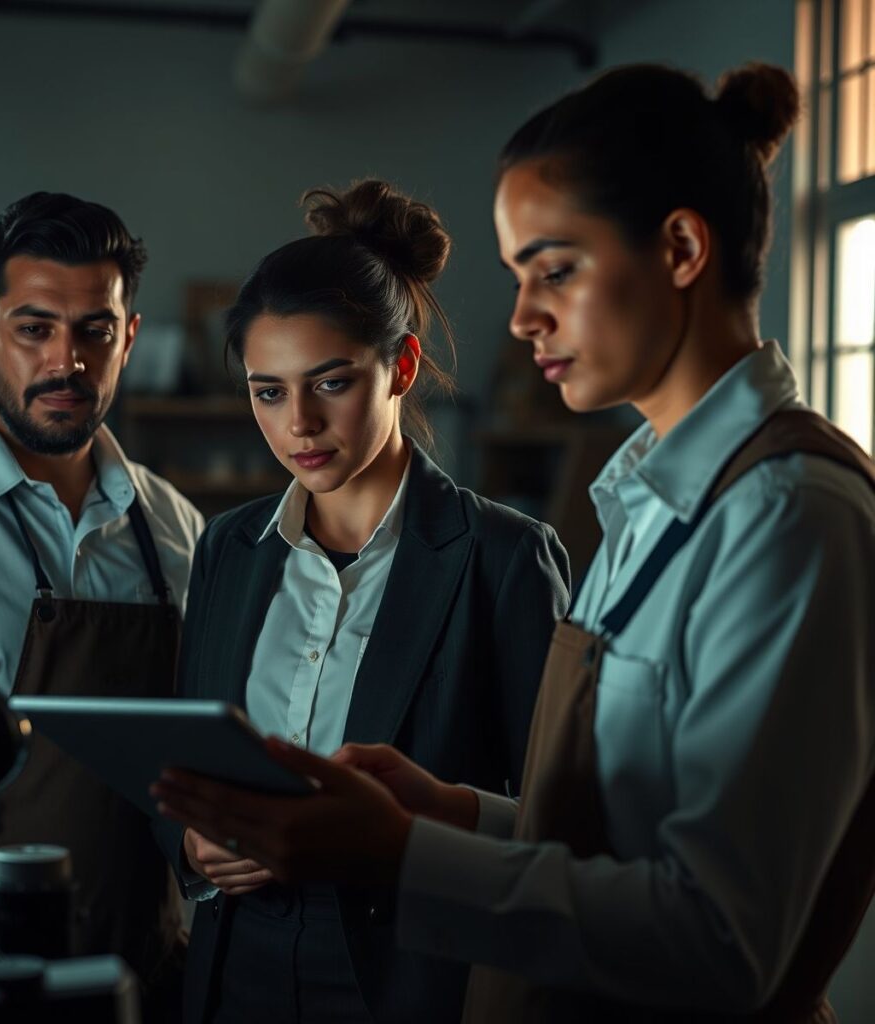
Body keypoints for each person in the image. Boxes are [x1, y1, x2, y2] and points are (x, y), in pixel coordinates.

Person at [152, 64, 875, 1022]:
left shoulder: (786, 512)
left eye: (556, 269)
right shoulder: (648, 500)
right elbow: (604, 835)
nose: (526, 317)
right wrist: (441, 809)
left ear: (682, 248)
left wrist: (399, 852)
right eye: (520, 277)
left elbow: (723, 939)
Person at [151, 179, 571, 1024]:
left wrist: (413, 831)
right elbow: (192, 758)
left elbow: (563, 826)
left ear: (401, 368)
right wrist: (194, 849)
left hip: (414, 973)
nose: (298, 422)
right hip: (236, 963)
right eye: (268, 391)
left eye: (330, 383)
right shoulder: (231, 548)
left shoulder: (505, 558)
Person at [0, 192, 204, 1013]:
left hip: (145, 982)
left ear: (128, 338)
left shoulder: (178, 531)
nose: (66, 360)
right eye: (33, 328)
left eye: (94, 331)